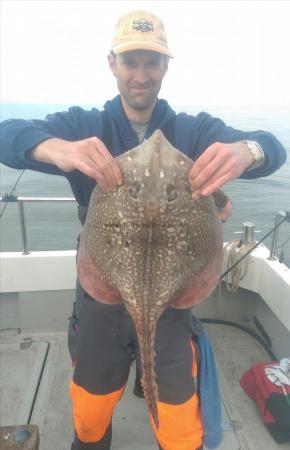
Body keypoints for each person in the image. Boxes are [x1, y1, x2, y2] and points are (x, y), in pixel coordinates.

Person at [0, 9, 287, 450]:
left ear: (165, 67)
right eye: (130, 62)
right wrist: (55, 147)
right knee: (91, 410)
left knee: (179, 425)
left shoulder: (194, 131)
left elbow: (273, 147)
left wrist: (246, 150)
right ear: (112, 64)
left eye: (151, 63)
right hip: (102, 289)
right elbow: (8, 133)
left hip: (173, 298)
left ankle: (155, 398)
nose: (140, 75)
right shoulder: (84, 126)